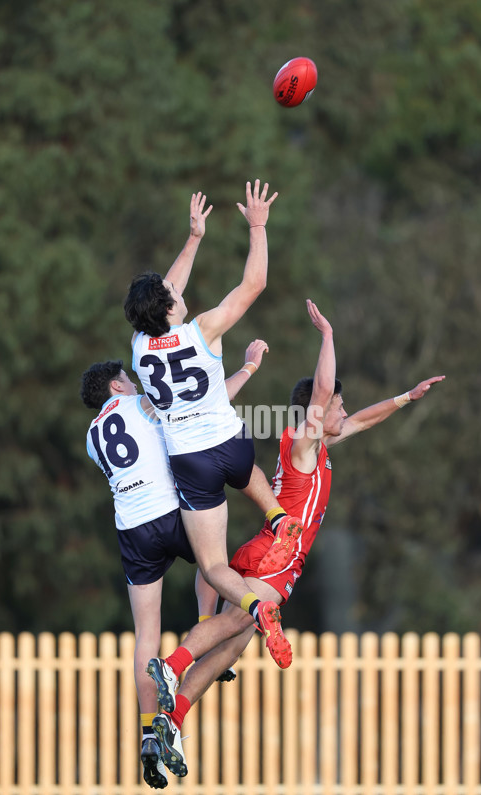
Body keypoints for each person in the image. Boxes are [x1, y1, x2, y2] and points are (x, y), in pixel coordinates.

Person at [146, 299, 446, 778]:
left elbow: (363, 420)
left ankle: (172, 716)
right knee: (235, 628)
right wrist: (327, 335)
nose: (342, 411)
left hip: (265, 546)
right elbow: (325, 388)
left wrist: (406, 397)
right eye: (337, 407)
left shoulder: (319, 443)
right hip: (279, 556)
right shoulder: (305, 441)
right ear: (317, 410)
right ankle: (172, 664)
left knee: (230, 641)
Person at [124, 183, 302, 670]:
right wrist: (258, 227)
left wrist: (194, 238)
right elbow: (254, 283)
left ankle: (254, 607)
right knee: (252, 478)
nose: (175, 293)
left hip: (190, 460)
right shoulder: (203, 328)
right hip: (229, 443)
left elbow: (165, 291)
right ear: (168, 309)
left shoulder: (140, 347)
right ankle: (277, 516)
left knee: (213, 566)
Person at [80, 338, 269, 789]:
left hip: (131, 528)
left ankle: (149, 732)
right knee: (214, 565)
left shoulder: (92, 438)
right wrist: (247, 369)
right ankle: (206, 636)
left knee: (145, 633)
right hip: (168, 510)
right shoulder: (140, 404)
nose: (131, 379)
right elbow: (200, 407)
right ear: (116, 386)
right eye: (125, 377)